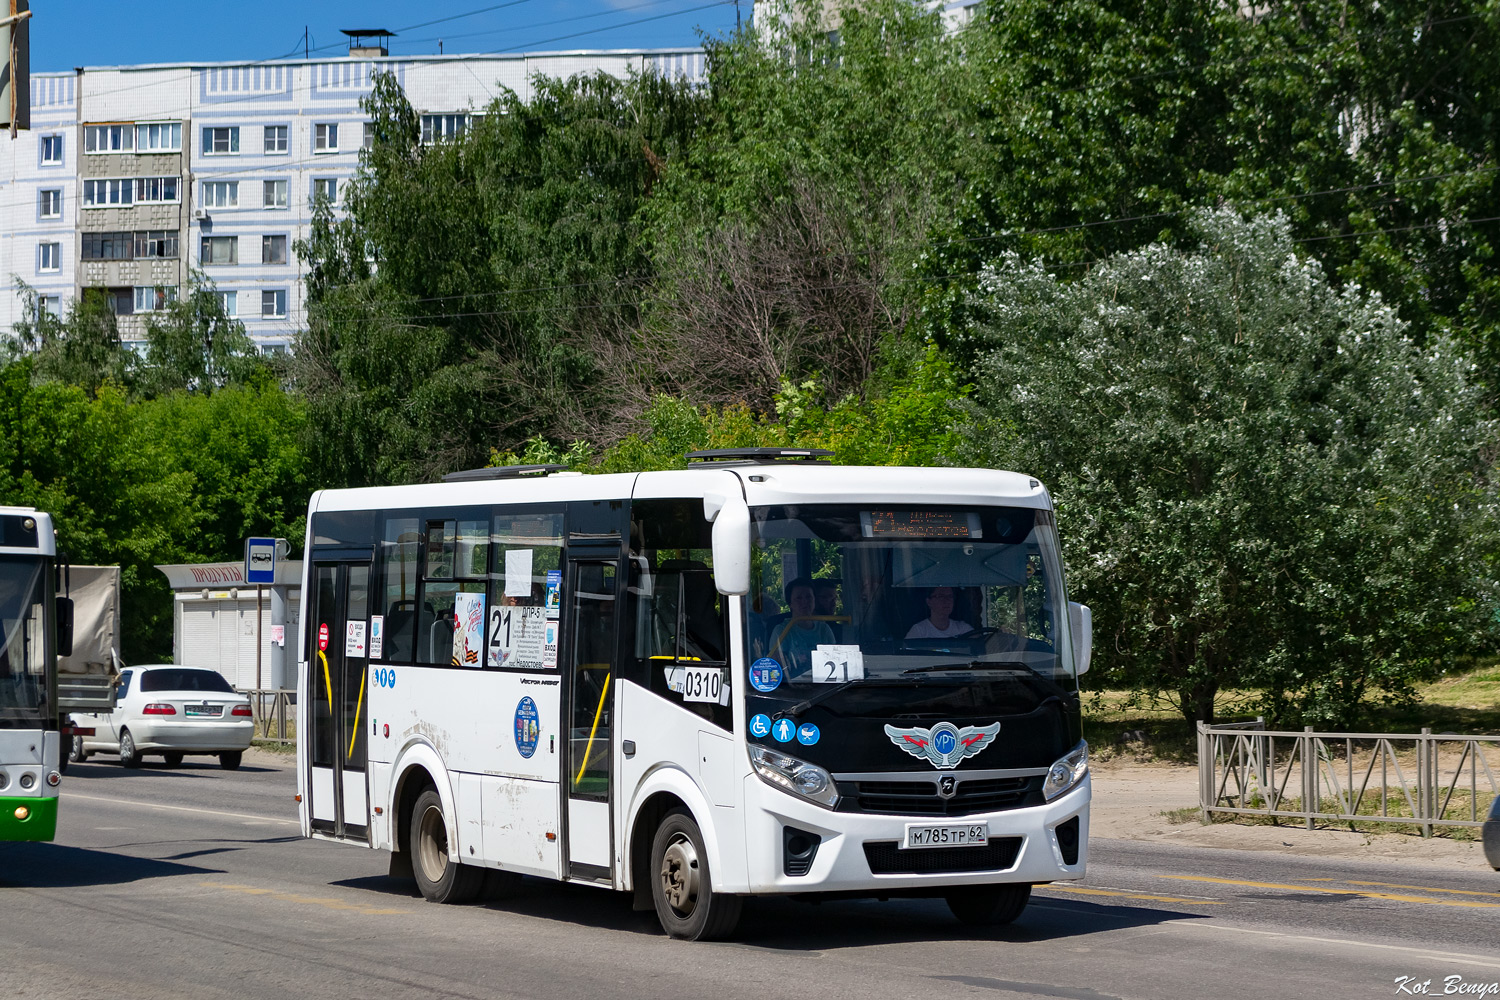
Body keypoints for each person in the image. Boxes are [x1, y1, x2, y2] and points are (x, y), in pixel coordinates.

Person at [770, 576, 834, 678]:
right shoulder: (781, 631)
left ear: (814, 600)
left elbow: (834, 659)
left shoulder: (824, 629)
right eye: (799, 598)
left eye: (808, 597)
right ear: (790, 603)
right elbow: (776, 668)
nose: (805, 602)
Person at [904, 586, 975, 639]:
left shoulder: (962, 629)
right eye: (941, 596)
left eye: (950, 596)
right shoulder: (919, 631)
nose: (946, 601)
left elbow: (980, 644)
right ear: (929, 602)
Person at [812, 578, 843, 642]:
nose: (834, 604)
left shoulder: (839, 630)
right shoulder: (796, 624)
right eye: (828, 598)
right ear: (814, 599)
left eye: (834, 599)